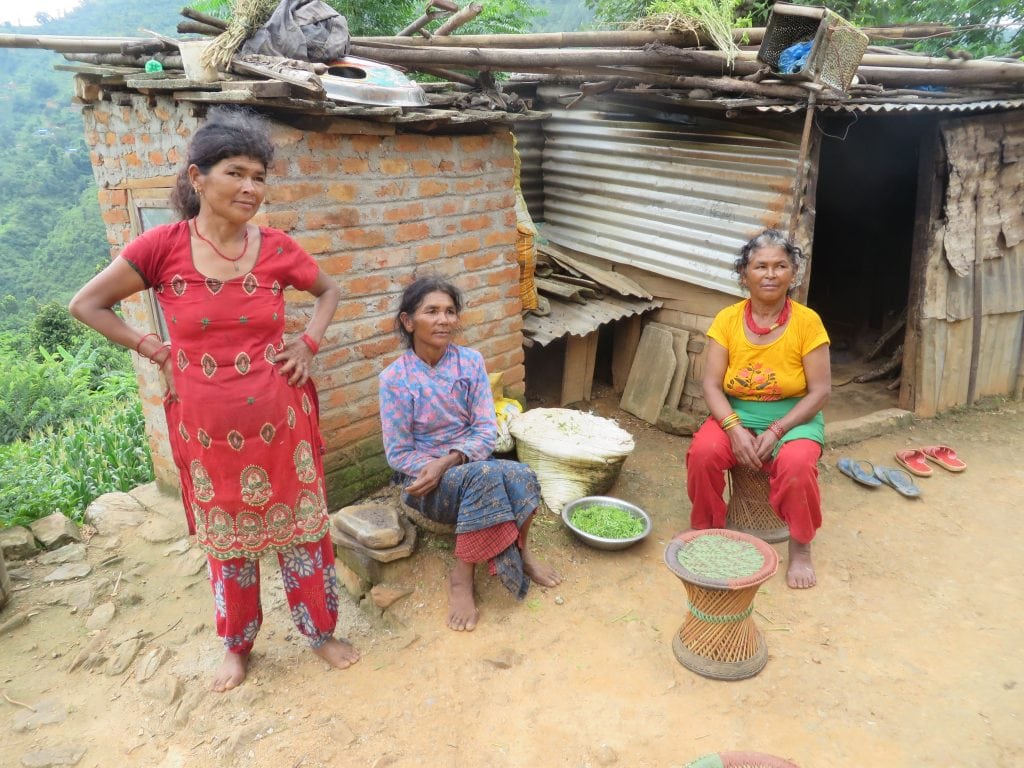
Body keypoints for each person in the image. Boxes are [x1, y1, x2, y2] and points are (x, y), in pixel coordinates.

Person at [69, 108, 359, 690]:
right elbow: (87, 304)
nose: (250, 187)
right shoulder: (161, 247)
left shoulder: (277, 247)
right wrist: (155, 348)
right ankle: (237, 643)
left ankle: (320, 631)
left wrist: (307, 344)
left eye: (258, 176)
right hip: (206, 428)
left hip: (282, 418)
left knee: (303, 530)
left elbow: (328, 290)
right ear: (197, 178)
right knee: (227, 541)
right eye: (236, 173)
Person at [378, 276, 561, 631]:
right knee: (488, 474)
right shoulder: (395, 379)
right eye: (431, 311)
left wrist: (448, 460)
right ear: (408, 321)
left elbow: (485, 430)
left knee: (523, 473)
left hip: (470, 468)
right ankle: (461, 578)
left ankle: (521, 551)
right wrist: (432, 469)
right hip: (425, 486)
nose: (444, 319)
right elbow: (398, 453)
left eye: (450, 311)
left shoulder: (470, 363)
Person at [685, 229, 831, 589]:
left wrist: (778, 429)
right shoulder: (727, 320)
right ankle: (706, 531)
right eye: (760, 266)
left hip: (795, 416)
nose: (770, 274)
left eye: (780, 265)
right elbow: (711, 385)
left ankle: (800, 547)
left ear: (793, 273)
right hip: (735, 412)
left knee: (797, 464)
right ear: (744, 274)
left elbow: (821, 391)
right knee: (703, 452)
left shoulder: (808, 322)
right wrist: (733, 428)